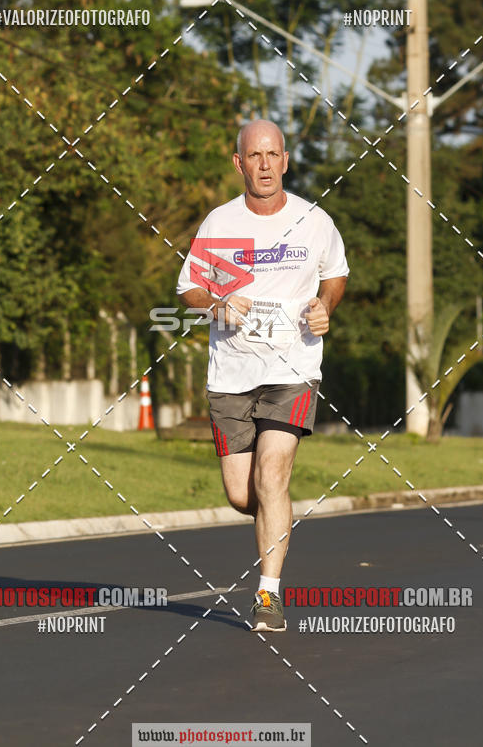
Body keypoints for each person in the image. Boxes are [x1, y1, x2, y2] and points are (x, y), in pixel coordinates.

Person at [176, 119, 349, 632]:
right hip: (231, 373)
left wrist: (325, 307)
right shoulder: (219, 224)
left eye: (273, 155)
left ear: (286, 159)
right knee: (242, 493)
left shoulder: (314, 220)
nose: (265, 164)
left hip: (293, 367)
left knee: (272, 474)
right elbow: (189, 288)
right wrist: (218, 302)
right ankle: (278, 514)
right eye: (255, 156)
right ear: (239, 163)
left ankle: (268, 596)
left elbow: (334, 274)